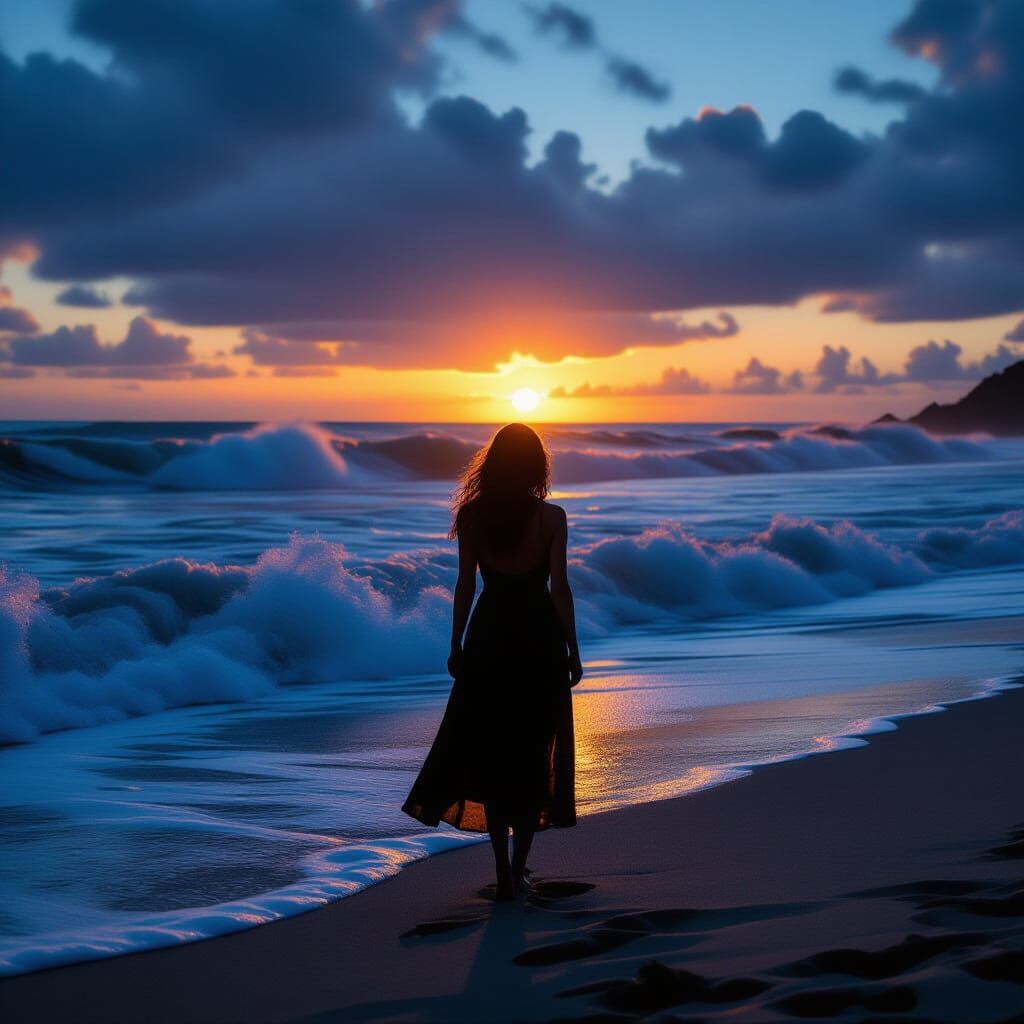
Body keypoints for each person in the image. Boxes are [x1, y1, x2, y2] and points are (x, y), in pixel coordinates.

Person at [402, 422, 582, 900]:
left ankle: (503, 872)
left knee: (493, 754)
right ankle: (520, 869)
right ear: (536, 466)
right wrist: (573, 650)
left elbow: (466, 585)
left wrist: (456, 643)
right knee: (530, 753)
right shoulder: (552, 518)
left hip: (489, 638)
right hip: (538, 641)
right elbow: (559, 589)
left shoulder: (474, 516)